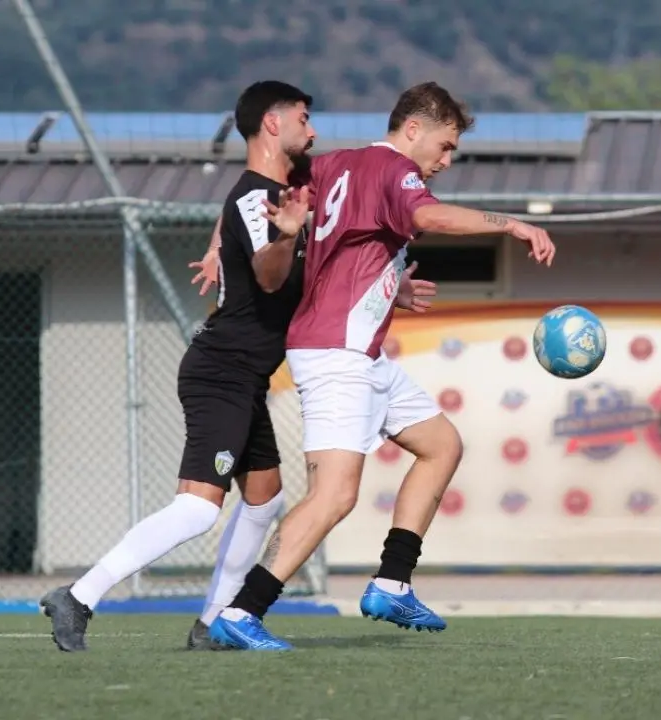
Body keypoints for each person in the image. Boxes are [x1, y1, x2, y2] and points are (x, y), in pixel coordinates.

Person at [39, 80, 436, 652]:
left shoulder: (284, 192)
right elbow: (271, 273)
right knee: (199, 509)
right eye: (304, 117)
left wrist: (382, 286)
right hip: (220, 370)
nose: (314, 130)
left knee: (266, 498)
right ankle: (78, 596)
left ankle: (214, 622)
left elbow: (285, 257)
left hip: (245, 377)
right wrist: (283, 237)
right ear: (272, 124)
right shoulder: (261, 200)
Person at [208, 81, 556, 651]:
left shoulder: (336, 165)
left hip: (358, 350)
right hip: (335, 353)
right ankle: (244, 611)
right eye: (444, 147)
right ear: (413, 129)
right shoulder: (397, 172)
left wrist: (216, 241)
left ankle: (393, 580)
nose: (445, 161)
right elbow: (432, 217)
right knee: (335, 497)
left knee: (442, 444)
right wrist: (511, 224)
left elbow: (261, 196)